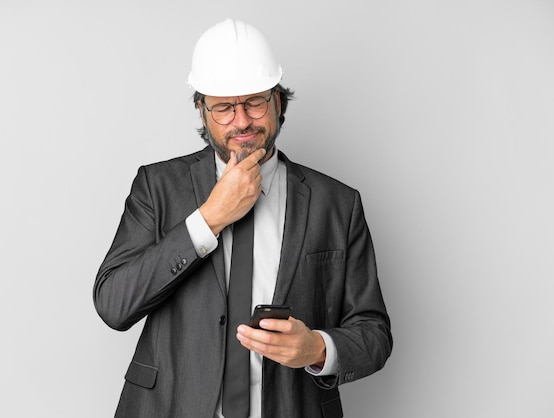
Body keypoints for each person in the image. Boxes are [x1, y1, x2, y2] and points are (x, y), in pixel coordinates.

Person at [94, 18, 392, 418]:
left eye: (254, 101)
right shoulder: (157, 187)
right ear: (202, 110)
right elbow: (114, 304)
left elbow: (373, 331)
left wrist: (318, 348)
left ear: (278, 102)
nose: (242, 121)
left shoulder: (337, 203)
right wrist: (209, 218)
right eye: (223, 107)